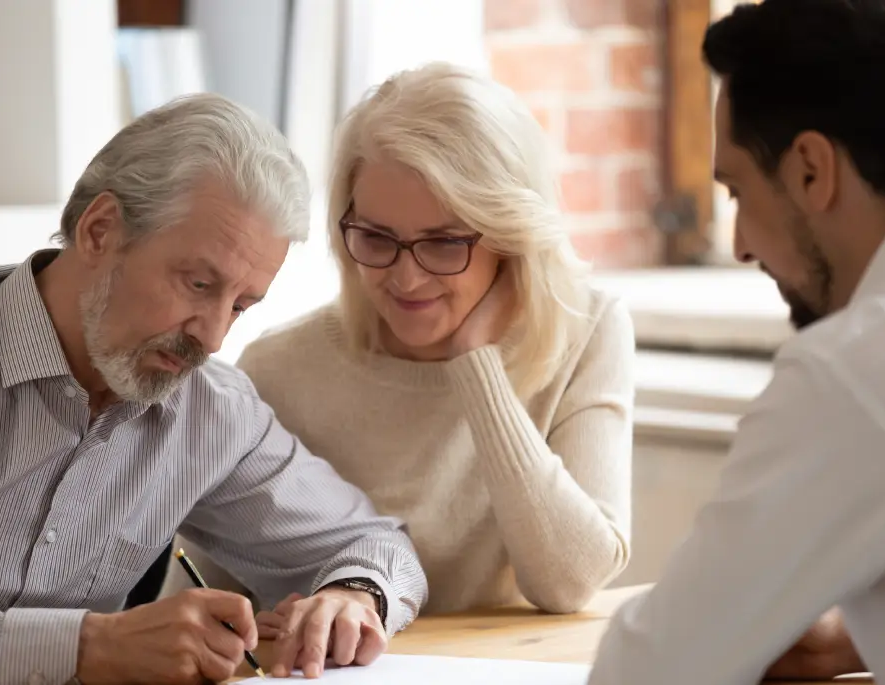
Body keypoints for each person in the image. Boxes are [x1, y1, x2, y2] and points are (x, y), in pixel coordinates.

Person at [0, 93, 428, 685]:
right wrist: (95, 645)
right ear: (100, 230)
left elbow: (376, 546)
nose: (213, 337)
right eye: (197, 283)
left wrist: (352, 595)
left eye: (241, 305)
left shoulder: (210, 410)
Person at [166, 62, 635, 622]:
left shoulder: (585, 331)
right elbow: (204, 600)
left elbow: (571, 584)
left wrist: (476, 366)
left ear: (512, 239)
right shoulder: (279, 368)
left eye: (442, 244)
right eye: (377, 237)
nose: (406, 278)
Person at [588, 1, 885, 682]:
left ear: (811, 171)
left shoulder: (852, 369)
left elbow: (650, 669)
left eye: (734, 189)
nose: (736, 243)